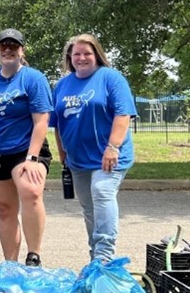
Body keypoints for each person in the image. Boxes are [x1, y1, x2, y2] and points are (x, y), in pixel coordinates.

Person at [0, 29, 52, 267]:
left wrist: (32, 157)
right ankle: (11, 266)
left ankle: (33, 255)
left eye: (13, 46)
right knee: (5, 209)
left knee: (31, 192)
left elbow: (41, 120)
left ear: (22, 50)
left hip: (24, 149)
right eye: (3, 46)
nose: (8, 50)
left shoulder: (33, 78)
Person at [52, 33, 136, 262]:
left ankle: (105, 257)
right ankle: (95, 256)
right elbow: (57, 122)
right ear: (70, 57)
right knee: (89, 208)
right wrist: (62, 153)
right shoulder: (62, 85)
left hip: (108, 156)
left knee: (101, 191)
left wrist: (112, 147)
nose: (81, 58)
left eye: (87, 53)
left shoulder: (111, 78)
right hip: (78, 160)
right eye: (76, 54)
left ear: (97, 55)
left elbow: (123, 114)